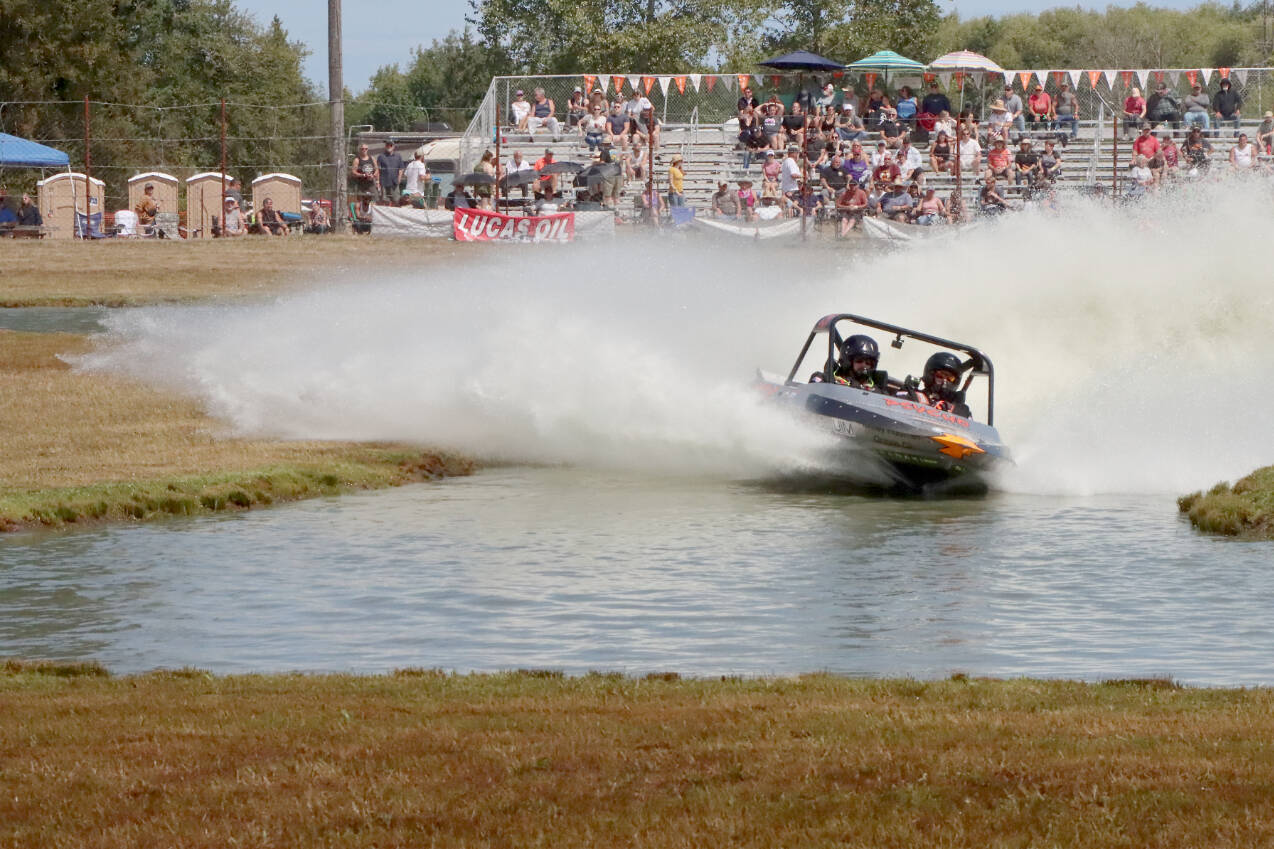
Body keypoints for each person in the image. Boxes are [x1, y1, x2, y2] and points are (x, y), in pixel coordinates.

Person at [909, 352, 971, 416]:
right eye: (940, 375)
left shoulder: (961, 410)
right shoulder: (912, 395)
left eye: (950, 378)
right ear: (930, 375)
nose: (945, 381)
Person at [376, 139, 405, 204]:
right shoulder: (381, 156)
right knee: (384, 201)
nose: (389, 146)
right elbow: (377, 169)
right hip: (383, 183)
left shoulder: (398, 156)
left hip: (394, 183)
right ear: (385, 146)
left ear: (393, 146)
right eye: (387, 145)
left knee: (396, 201)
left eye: (390, 145)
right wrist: (377, 181)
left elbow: (401, 168)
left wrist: (399, 179)